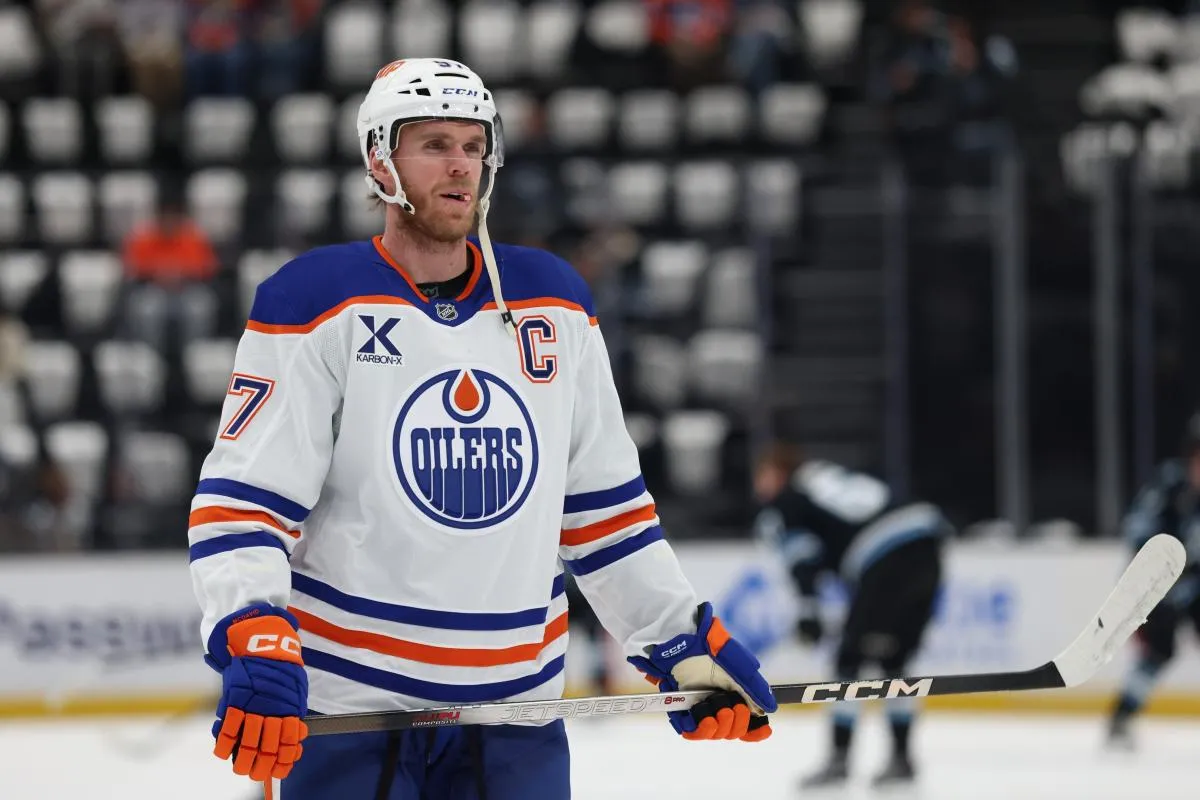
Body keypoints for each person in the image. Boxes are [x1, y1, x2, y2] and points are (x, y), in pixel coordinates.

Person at [186, 58, 777, 800]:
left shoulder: (554, 303)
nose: (461, 164)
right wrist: (253, 628)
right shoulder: (313, 300)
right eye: (434, 143)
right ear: (380, 158)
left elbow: (604, 512)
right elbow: (243, 502)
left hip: (515, 719)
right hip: (354, 715)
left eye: (473, 144)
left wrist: (680, 640)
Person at [752, 442, 948, 789]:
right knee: (894, 664)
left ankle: (839, 761)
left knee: (848, 664)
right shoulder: (826, 475)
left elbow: (802, 557)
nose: (759, 485)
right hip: (927, 539)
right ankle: (902, 759)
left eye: (763, 475)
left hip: (884, 554)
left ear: (779, 473)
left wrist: (808, 609)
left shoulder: (786, 500)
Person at [1105, 413, 1200, 749]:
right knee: (1159, 651)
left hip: (1195, 587)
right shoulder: (1170, 485)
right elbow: (1138, 529)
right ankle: (1122, 715)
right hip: (1159, 586)